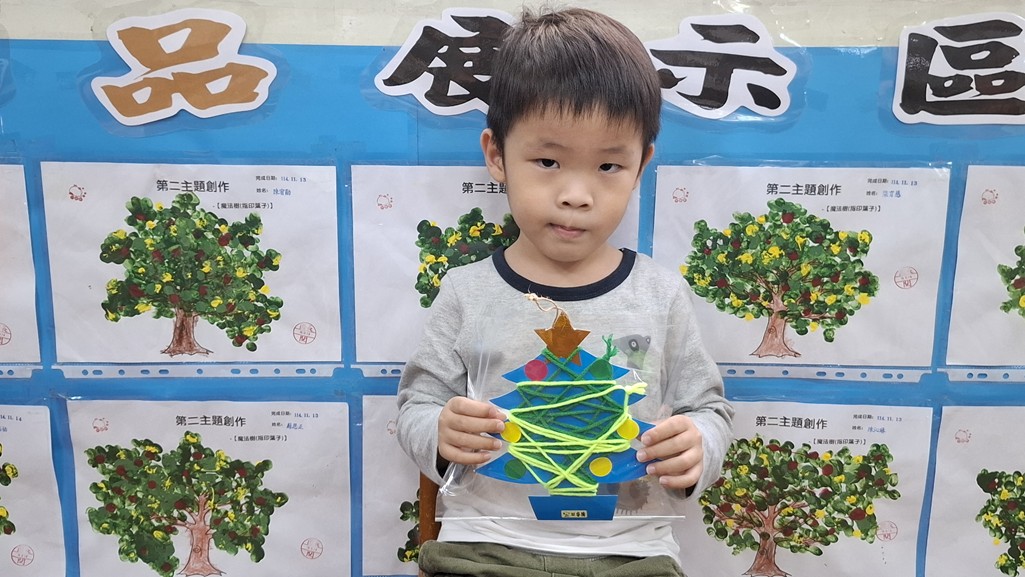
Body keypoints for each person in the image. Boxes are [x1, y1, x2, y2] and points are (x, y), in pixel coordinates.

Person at [396, 6, 733, 576]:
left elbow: (710, 409)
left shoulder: (662, 294)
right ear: (497, 155)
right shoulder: (466, 291)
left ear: (641, 165)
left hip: (631, 552)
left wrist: (698, 442)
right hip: (484, 547)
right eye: (548, 161)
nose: (576, 194)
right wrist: (439, 429)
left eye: (608, 166)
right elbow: (417, 404)